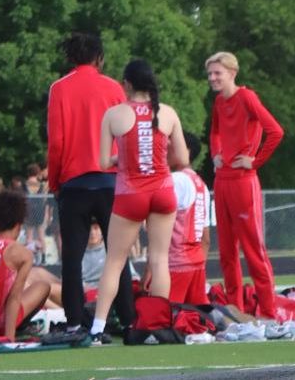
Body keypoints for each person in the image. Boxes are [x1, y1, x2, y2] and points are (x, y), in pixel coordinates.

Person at [85, 60, 189, 343]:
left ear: (126, 84)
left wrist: (126, 158)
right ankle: (158, 327)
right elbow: (183, 159)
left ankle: (97, 329)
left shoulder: (114, 115)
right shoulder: (167, 113)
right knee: (159, 260)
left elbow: (103, 161)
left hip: (131, 193)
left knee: (115, 262)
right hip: (163, 189)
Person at [46, 31, 136, 334]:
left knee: (72, 256)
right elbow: (128, 136)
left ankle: (74, 322)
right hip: (112, 182)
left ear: (70, 58)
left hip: (74, 182)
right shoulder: (113, 88)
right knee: (118, 253)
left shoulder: (59, 89)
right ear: (100, 57)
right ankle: (127, 319)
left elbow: (56, 142)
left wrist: (55, 181)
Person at [206, 51, 283, 316]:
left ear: (232, 73)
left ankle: (270, 313)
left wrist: (255, 161)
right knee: (226, 252)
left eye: (217, 73)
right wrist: (216, 153)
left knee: (253, 250)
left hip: (243, 181)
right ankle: (235, 312)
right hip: (222, 181)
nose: (212, 78)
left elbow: (275, 131)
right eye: (210, 74)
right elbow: (215, 131)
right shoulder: (218, 102)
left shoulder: (247, 97)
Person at [0, 188, 57, 339]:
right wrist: (9, 338)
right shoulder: (22, 253)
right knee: (43, 286)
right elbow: (14, 298)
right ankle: (17, 330)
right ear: (19, 224)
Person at [167, 131, 212, 307]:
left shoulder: (176, 180)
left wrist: (151, 268)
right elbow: (205, 238)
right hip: (196, 262)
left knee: (163, 320)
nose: (166, 149)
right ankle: (238, 328)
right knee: (200, 316)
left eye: (171, 145)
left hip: (176, 262)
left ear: (186, 150)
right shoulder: (201, 184)